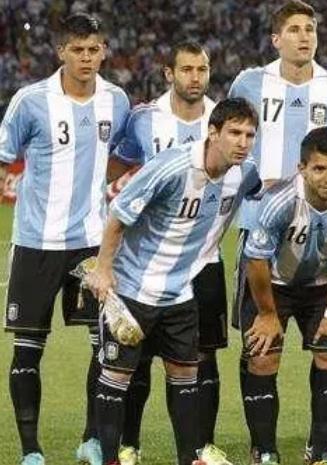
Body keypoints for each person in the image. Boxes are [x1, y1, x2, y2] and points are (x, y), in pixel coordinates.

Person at [84, 98, 261, 465]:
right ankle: (111, 458)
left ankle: (189, 459)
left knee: (185, 375)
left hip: (180, 292)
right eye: (234, 133)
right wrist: (103, 269)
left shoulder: (245, 173)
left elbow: (267, 187)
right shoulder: (172, 166)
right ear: (213, 132)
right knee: (117, 376)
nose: (243, 142)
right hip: (132, 289)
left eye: (249, 135)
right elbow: (119, 213)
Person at [228, 6, 327, 458]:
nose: (304, 37)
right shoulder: (250, 83)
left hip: (323, 240)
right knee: (261, 348)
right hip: (261, 233)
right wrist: (253, 182)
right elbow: (232, 141)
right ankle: (263, 450)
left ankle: (320, 450)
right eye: (294, 30)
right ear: (276, 39)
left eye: (310, 29)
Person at [0, 13, 129, 465]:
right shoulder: (31, 100)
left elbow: (122, 156)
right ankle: (31, 451)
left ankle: (91, 440)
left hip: (92, 245)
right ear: (61, 52)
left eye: (94, 49)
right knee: (27, 350)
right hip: (36, 243)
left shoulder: (116, 100)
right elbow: (3, 156)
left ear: (104, 51)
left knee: (104, 347)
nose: (86, 58)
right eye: (77, 50)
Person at [107, 40, 226, 465]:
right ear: (169, 74)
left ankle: (201, 447)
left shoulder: (223, 120)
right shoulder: (144, 119)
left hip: (204, 259)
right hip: (147, 262)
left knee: (203, 356)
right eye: (187, 69)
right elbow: (116, 168)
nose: (196, 77)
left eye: (202, 69)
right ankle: (128, 444)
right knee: (135, 355)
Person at [240, 127, 327, 465]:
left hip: (322, 285)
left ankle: (320, 452)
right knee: (262, 356)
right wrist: (267, 315)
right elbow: (256, 261)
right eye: (319, 169)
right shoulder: (280, 201)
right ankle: (265, 451)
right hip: (270, 285)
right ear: (302, 169)